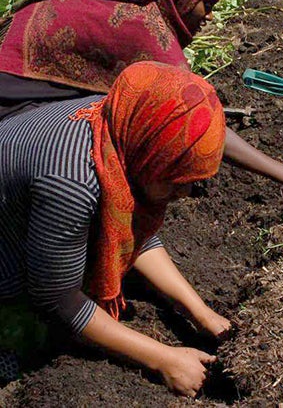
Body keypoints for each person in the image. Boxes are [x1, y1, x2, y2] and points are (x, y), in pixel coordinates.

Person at [0, 0, 283, 190]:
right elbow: (193, 116)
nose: (209, 18)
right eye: (206, 5)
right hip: (12, 108)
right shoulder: (142, 27)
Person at [0, 61, 234, 396]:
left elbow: (132, 229)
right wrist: (163, 359)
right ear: (150, 154)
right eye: (175, 180)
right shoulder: (72, 185)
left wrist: (202, 314)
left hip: (23, 220)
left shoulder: (116, 126)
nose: (184, 194)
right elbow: (56, 300)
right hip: (10, 266)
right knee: (31, 348)